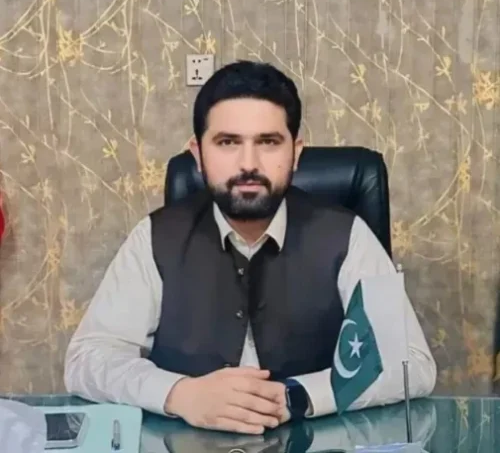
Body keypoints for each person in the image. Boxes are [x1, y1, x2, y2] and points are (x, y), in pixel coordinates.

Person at [64, 60, 436, 435]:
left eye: (268, 142)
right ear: (198, 153)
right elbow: (87, 359)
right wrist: (179, 393)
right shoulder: (155, 237)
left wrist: (297, 396)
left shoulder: (347, 235)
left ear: (296, 152)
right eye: (227, 142)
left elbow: (412, 365)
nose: (248, 164)